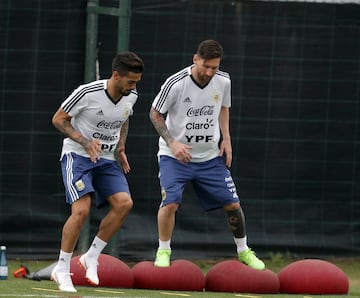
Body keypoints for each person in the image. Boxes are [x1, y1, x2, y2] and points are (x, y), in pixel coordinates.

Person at [149, 40, 265, 270]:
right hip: (175, 157)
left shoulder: (223, 81)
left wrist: (227, 139)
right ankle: (163, 250)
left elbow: (223, 108)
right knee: (171, 203)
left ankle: (243, 251)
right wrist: (173, 144)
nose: (210, 72)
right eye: (206, 66)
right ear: (195, 59)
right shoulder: (176, 83)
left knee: (232, 204)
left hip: (210, 158)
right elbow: (154, 113)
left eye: (214, 67)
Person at [51, 52, 144, 292]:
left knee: (124, 203)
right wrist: (84, 141)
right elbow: (59, 119)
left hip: (106, 159)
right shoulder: (87, 92)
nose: (134, 87)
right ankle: (62, 268)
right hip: (78, 155)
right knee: (81, 210)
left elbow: (125, 119)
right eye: (130, 81)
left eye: (136, 82)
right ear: (116, 75)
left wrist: (121, 147)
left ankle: (90, 257)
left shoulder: (130, 95)